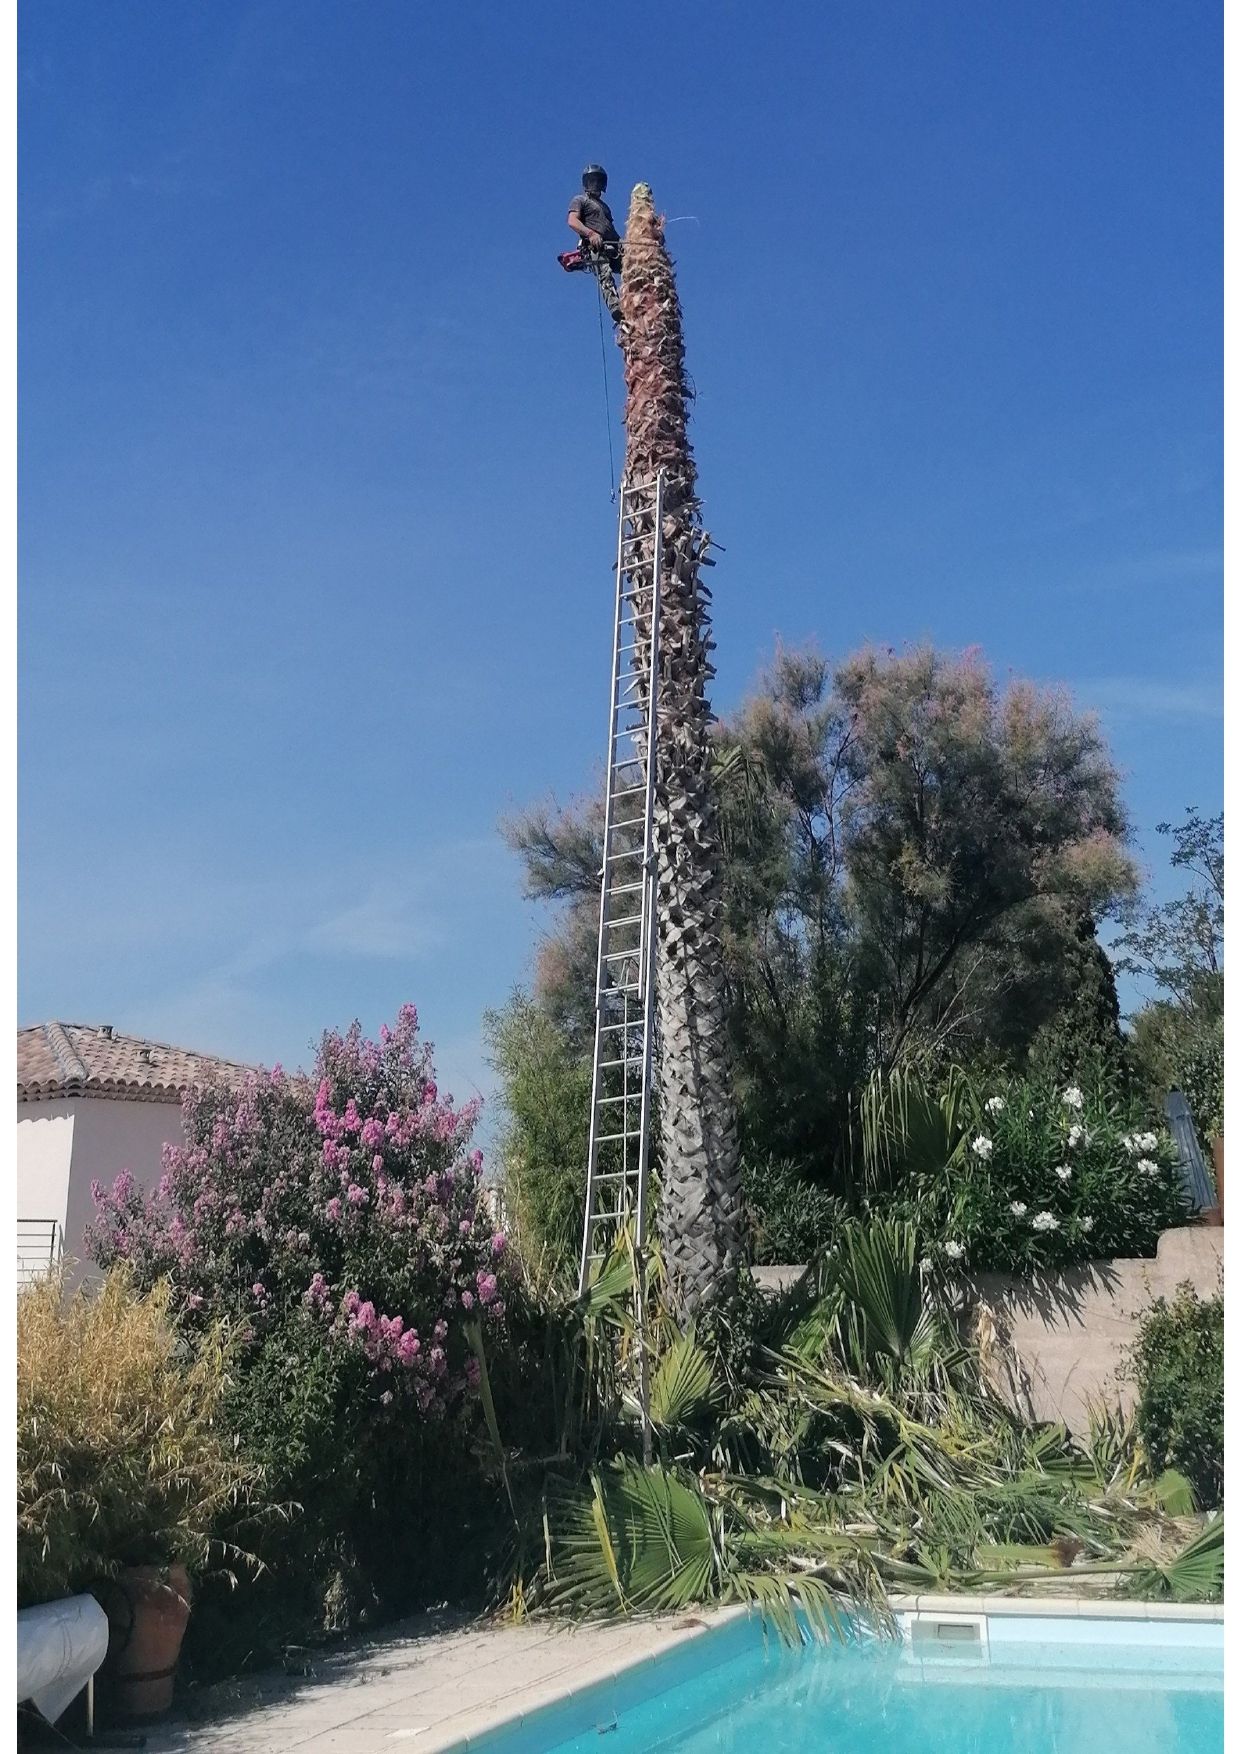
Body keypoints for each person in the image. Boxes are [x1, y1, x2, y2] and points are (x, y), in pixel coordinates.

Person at [567, 164, 623, 323]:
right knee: (605, 274)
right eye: (591, 180)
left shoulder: (605, 207)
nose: (594, 184)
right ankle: (615, 306)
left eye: (597, 180)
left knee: (632, 268)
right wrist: (590, 234)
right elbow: (572, 221)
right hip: (595, 246)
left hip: (613, 244)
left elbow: (610, 229)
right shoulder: (580, 200)